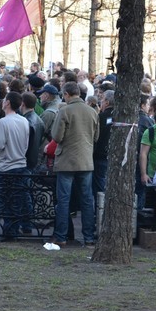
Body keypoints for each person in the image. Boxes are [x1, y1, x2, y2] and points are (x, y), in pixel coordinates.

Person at [49, 82, 99, 247]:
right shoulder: (92, 112)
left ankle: (61, 236)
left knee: (63, 200)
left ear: (66, 94)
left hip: (66, 161)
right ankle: (89, 237)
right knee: (87, 200)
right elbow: (96, 137)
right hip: (86, 161)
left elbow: (56, 136)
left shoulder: (64, 111)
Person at [0, 91, 30, 240]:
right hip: (20, 164)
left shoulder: (3, 122)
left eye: (4, 100)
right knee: (16, 201)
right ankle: (13, 230)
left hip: (6, 166)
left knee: (2, 200)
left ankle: (3, 232)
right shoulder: (24, 121)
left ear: (7, 103)